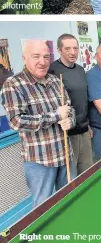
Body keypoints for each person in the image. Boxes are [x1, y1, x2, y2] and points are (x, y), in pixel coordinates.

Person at [0, 40, 76, 208]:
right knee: (43, 208)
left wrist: (70, 120)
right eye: (36, 56)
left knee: (70, 201)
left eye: (46, 56)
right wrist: (55, 115)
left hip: (65, 155)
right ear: (24, 58)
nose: (42, 61)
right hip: (40, 160)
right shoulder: (13, 85)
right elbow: (16, 121)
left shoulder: (56, 80)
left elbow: (69, 109)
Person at [49, 34, 93, 175]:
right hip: (66, 134)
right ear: (59, 50)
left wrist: (88, 124)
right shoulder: (52, 70)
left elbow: (83, 99)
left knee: (87, 172)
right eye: (67, 48)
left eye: (75, 48)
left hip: (84, 130)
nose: (73, 52)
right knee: (70, 176)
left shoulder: (80, 70)